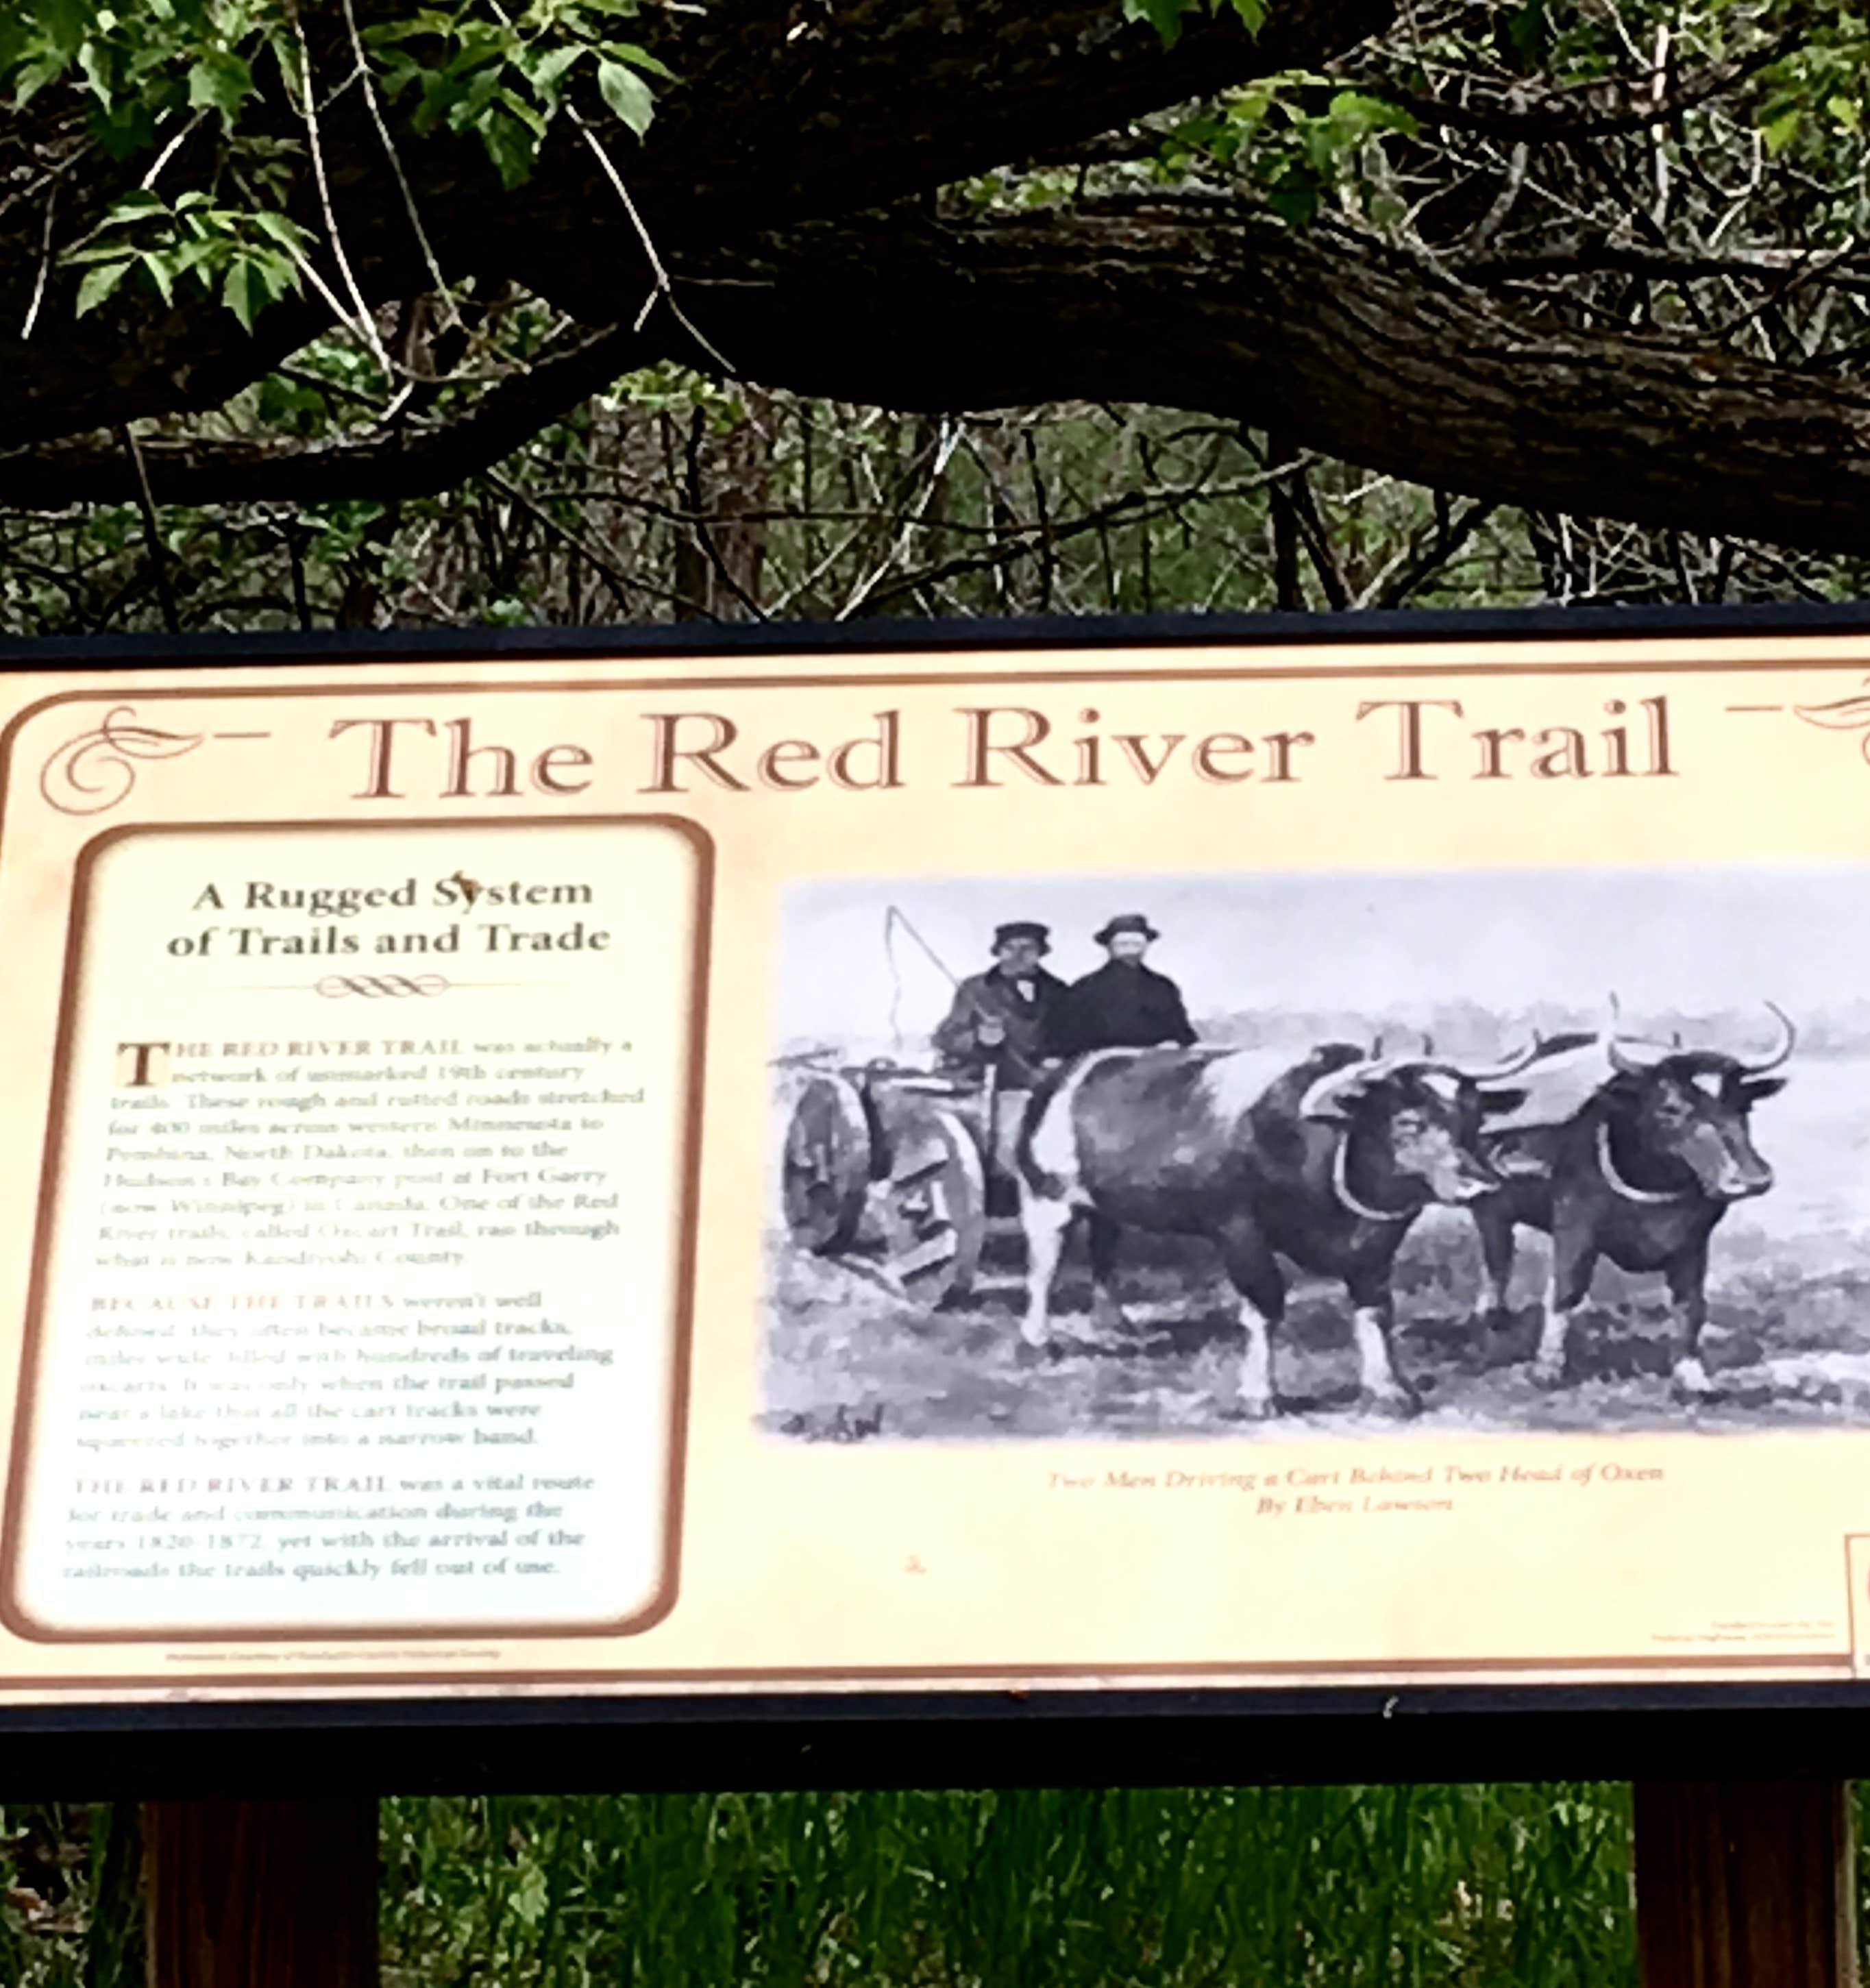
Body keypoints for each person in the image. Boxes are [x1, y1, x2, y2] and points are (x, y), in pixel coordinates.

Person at [932, 921, 1069, 1088]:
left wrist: (1059, 1058)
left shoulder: (1059, 991)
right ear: (999, 952)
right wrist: (977, 1037)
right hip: (986, 1086)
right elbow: (946, 1038)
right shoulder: (976, 988)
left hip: (1044, 1087)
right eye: (1009, 948)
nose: (1017, 955)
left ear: (1040, 952)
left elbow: (1071, 1038)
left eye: (1027, 948)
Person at [1053, 914, 1196, 1055]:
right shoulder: (1085, 989)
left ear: (1145, 946)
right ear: (1109, 947)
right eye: (1123, 944)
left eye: (1136, 944)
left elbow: (1183, 1034)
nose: (1130, 951)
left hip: (1157, 1072)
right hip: (1104, 1074)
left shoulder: (1163, 988)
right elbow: (1068, 1042)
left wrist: (1174, 1044)